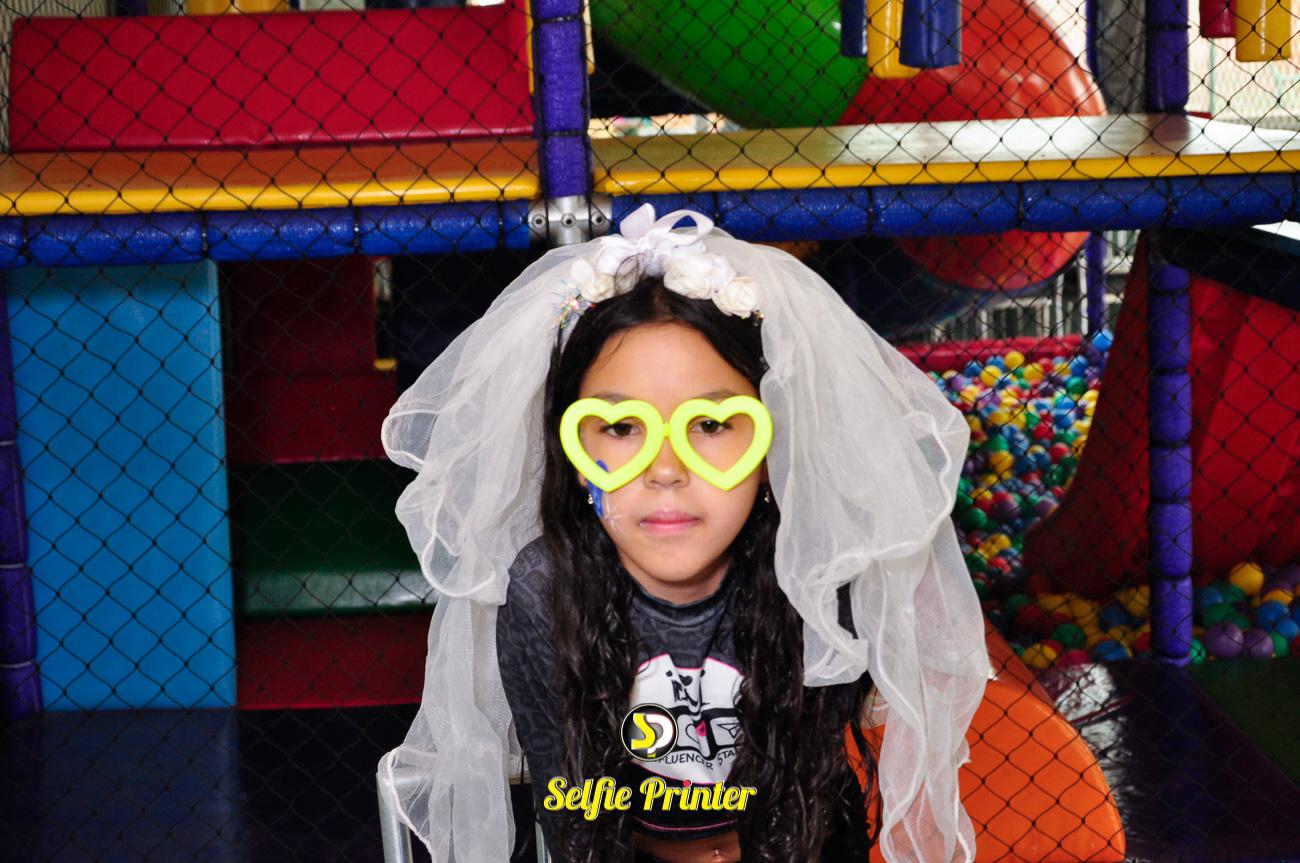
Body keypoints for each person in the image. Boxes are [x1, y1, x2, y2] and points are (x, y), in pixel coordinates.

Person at [377, 205, 989, 863]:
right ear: (572, 450)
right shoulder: (543, 590)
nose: (666, 469)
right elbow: (577, 822)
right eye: (621, 428)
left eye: (712, 424)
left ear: (771, 444)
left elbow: (797, 819)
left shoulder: (818, 577)